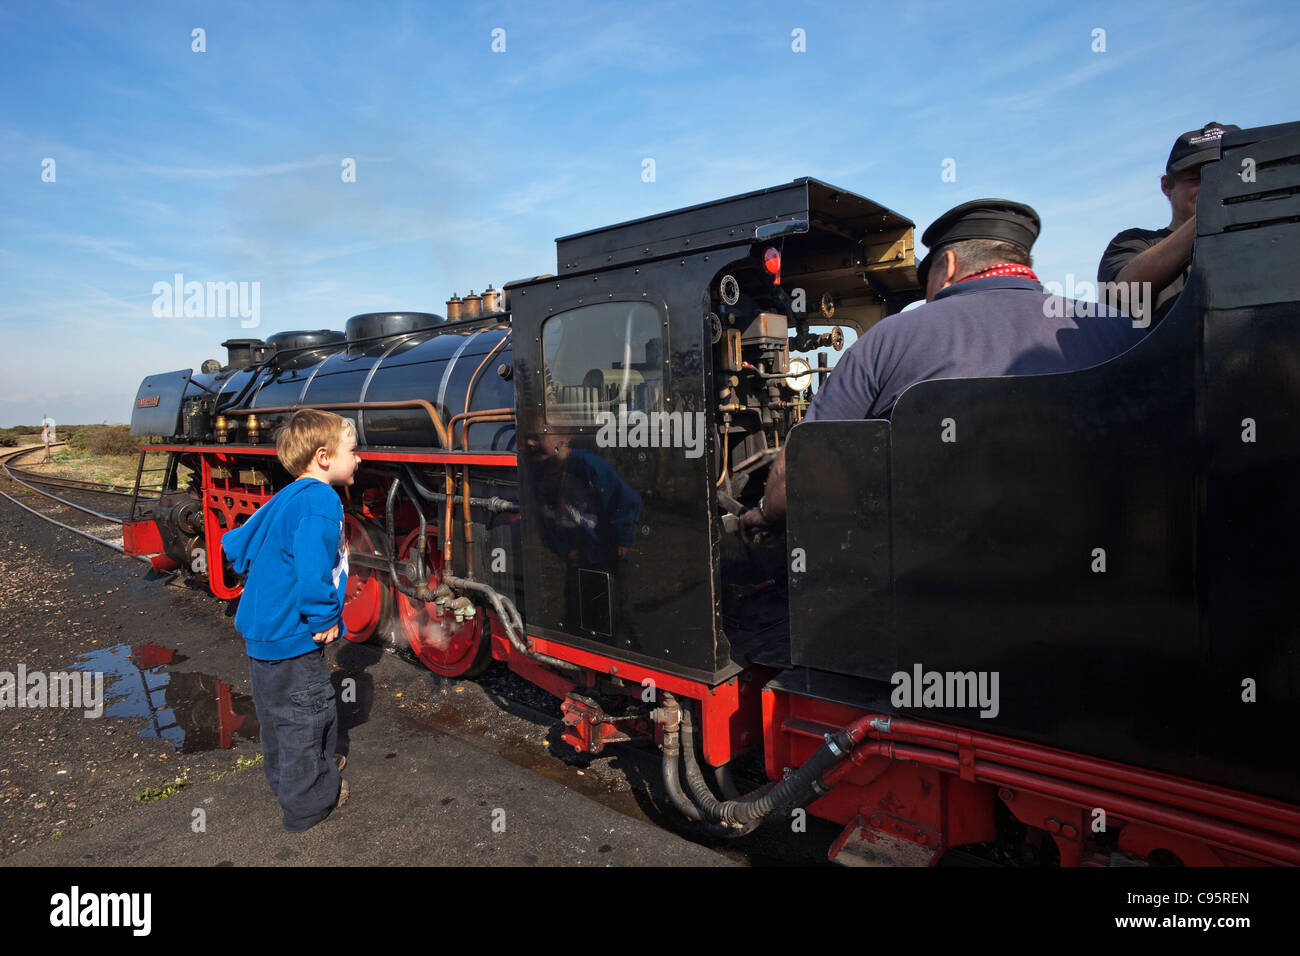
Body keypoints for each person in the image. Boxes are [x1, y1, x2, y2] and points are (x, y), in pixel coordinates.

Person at [741, 198, 1148, 539]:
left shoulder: (887, 340)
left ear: (947, 265)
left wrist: (763, 513)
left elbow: (803, 475)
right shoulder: (1121, 330)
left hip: (935, 599)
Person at [221, 409, 360, 832]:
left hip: (264, 634)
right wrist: (325, 615)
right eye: (352, 451)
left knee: (279, 715)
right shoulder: (322, 500)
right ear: (323, 456)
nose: (358, 459)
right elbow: (313, 566)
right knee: (310, 715)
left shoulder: (289, 495)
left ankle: (287, 782)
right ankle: (309, 805)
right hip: (295, 632)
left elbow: (241, 543)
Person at [1098, 122, 1240, 328]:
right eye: (1198, 178)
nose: (1217, 185)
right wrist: (1211, 212)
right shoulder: (1135, 242)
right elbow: (1124, 290)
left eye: (1229, 174)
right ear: (1166, 186)